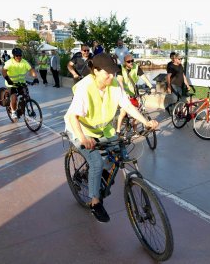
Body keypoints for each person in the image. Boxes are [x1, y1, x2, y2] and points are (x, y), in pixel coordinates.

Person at [64, 53, 159, 223]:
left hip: (103, 129)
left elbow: (127, 105)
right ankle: (95, 203)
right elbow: (73, 117)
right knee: (96, 163)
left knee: (120, 153)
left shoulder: (114, 85)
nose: (111, 76)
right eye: (107, 72)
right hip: (81, 130)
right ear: (95, 71)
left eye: (113, 72)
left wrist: (146, 121)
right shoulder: (85, 87)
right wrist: (83, 138)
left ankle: (95, 176)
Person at [116, 54, 154, 134]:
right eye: (128, 61)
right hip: (124, 92)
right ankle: (118, 131)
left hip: (134, 92)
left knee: (138, 111)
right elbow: (120, 81)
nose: (131, 63)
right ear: (124, 62)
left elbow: (144, 77)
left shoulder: (136, 67)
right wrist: (123, 93)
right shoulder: (120, 68)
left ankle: (135, 130)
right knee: (123, 112)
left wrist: (151, 86)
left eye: (132, 61)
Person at [2, 47, 39, 120]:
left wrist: (35, 78)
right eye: (17, 56)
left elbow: (31, 70)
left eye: (20, 55)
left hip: (21, 82)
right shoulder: (9, 62)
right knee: (14, 96)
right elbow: (4, 71)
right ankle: (13, 112)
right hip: (11, 83)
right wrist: (8, 79)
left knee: (26, 95)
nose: (19, 57)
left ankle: (21, 109)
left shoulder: (24, 62)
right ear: (14, 56)